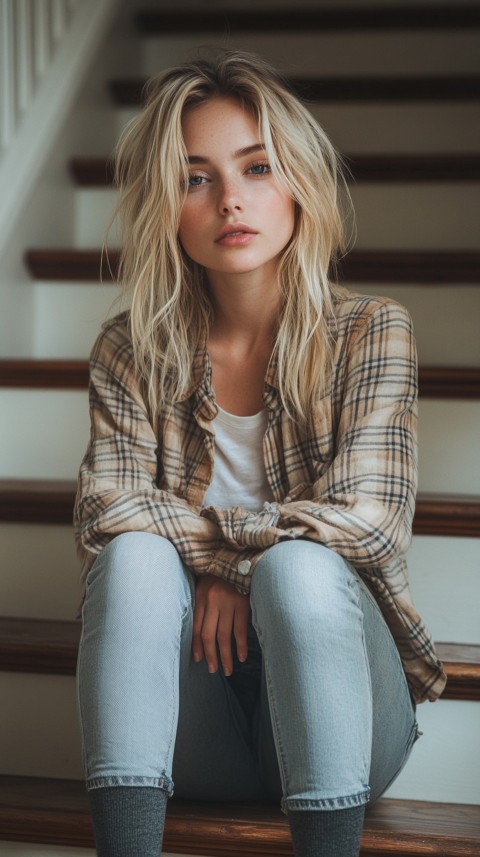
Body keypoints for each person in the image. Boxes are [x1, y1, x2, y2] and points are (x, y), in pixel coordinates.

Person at [74, 50, 446, 857]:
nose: (231, 199)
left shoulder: (372, 332)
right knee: (135, 558)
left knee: (300, 569)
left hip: (343, 726)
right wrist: (225, 561)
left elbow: (371, 524)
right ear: (165, 204)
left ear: (298, 183)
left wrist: (233, 565)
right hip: (190, 727)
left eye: (256, 166)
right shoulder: (129, 350)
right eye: (196, 176)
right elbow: (107, 510)